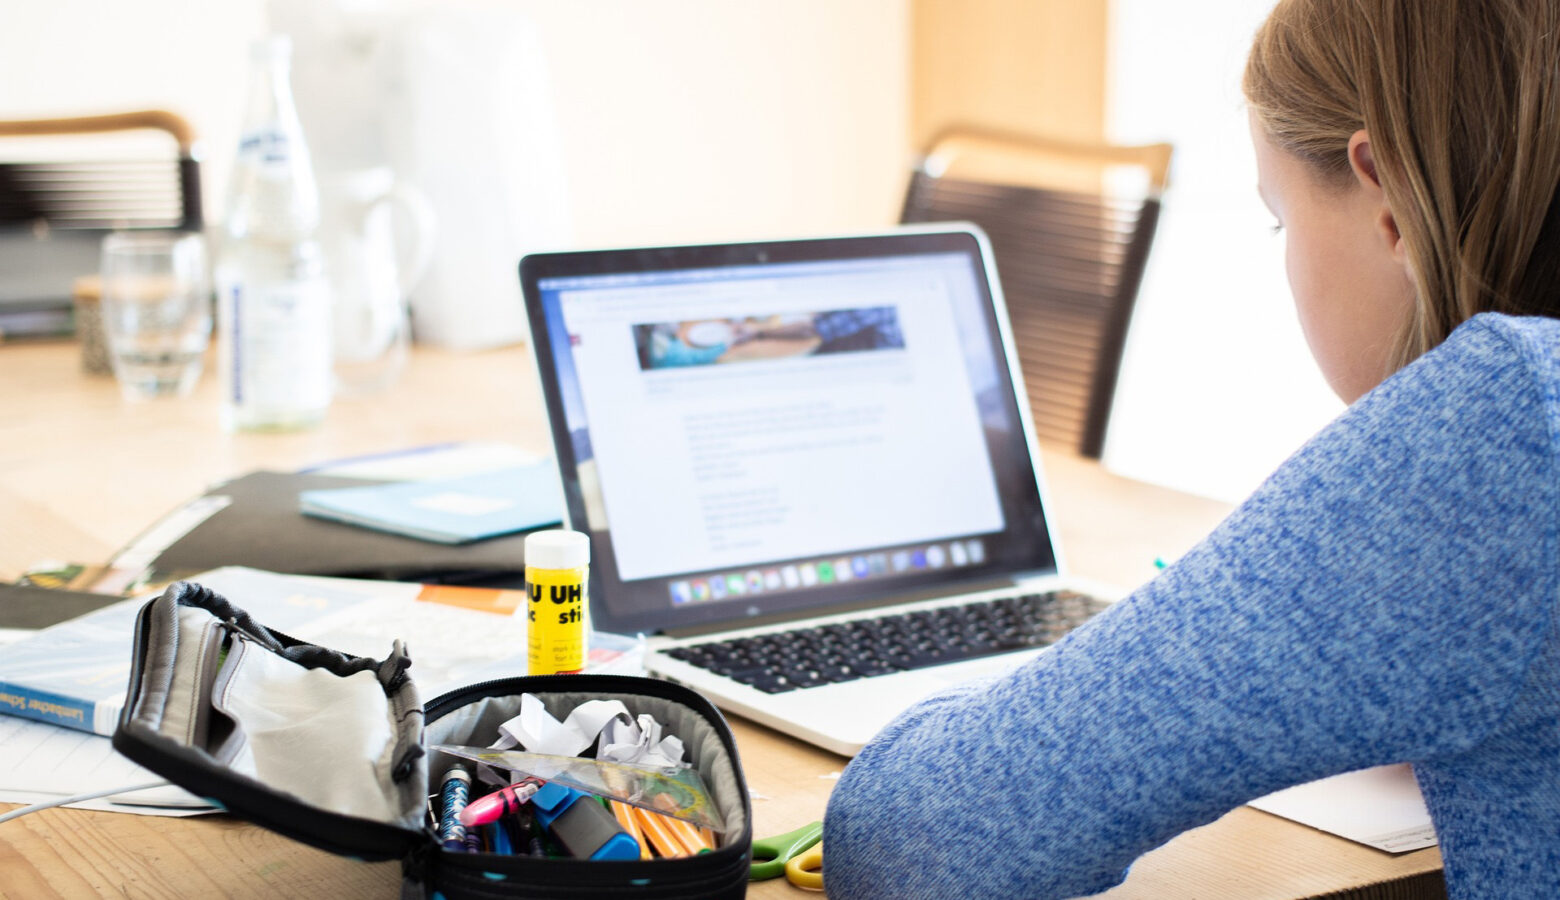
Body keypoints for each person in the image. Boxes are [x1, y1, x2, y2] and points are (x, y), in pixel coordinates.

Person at [822, 1, 1560, 897]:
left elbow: (913, 842)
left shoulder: (1503, 421)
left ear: (1390, 198)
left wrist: (1066, 688)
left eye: (1279, 219)